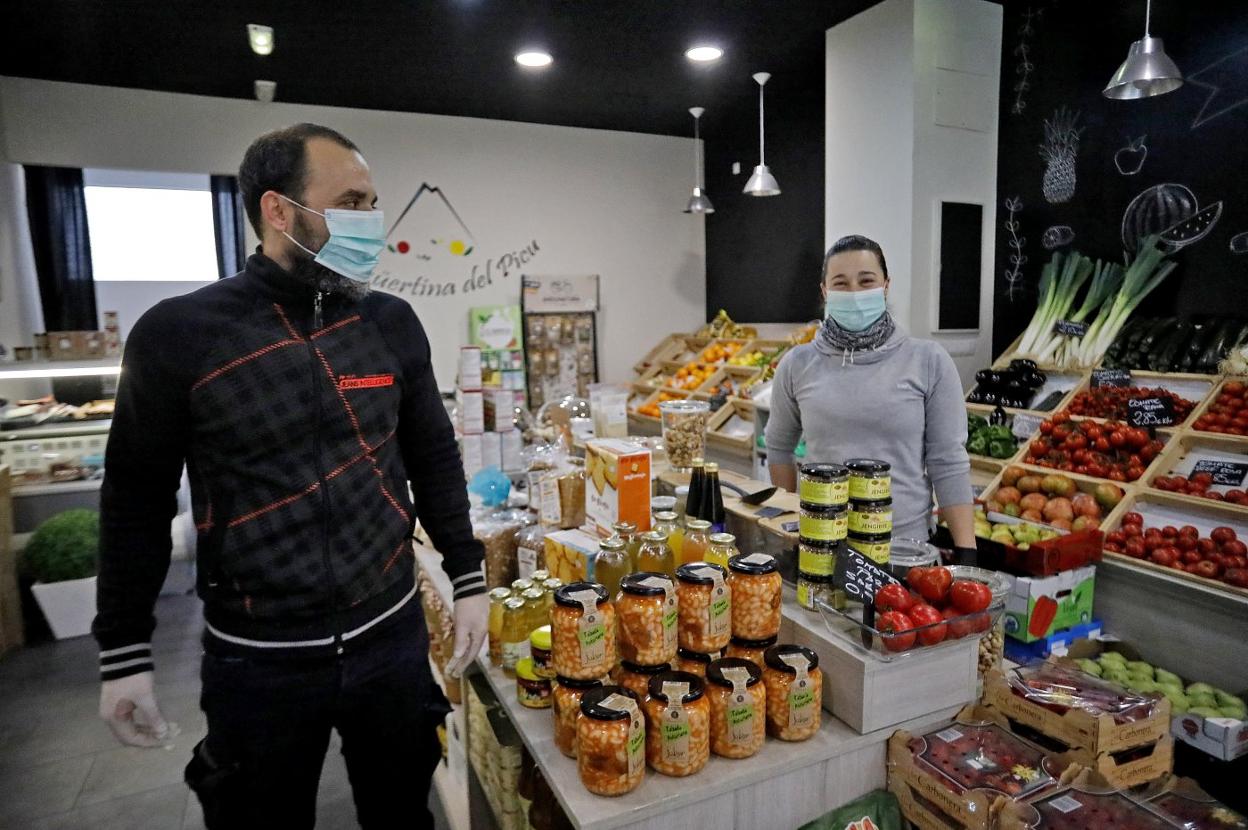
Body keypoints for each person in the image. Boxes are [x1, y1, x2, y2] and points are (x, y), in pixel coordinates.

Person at [93, 123, 488, 829]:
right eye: (353, 201)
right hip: (258, 664)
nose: (372, 220)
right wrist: (123, 650)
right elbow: (135, 502)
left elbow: (432, 455)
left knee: (403, 814)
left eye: (373, 202)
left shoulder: (390, 322)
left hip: (390, 638)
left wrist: (468, 578)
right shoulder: (181, 335)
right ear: (279, 211)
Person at [766, 234, 977, 554]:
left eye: (866, 281)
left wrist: (967, 552)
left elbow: (947, 462)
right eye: (841, 283)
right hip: (822, 545)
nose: (854, 293)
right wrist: (789, 522)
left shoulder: (929, 361)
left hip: (905, 546)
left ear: (885, 286)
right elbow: (779, 446)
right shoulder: (798, 364)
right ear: (825, 291)